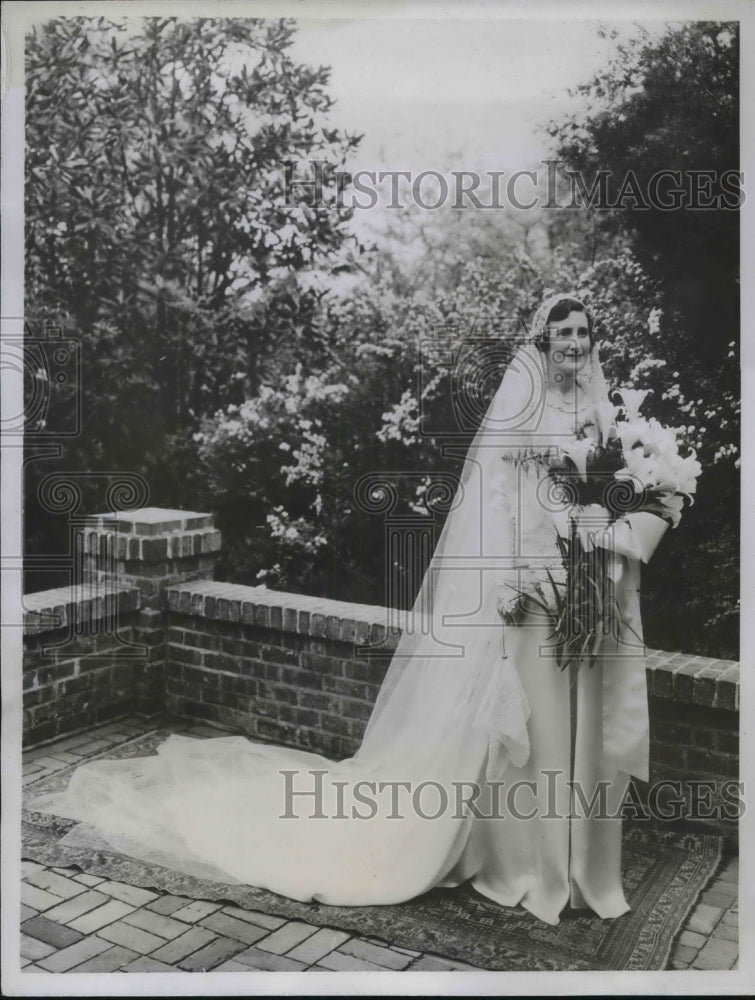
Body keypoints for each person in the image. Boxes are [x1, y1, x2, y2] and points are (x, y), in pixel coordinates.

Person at [28, 294, 651, 926]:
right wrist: (526, 570)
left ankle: (569, 859)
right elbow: (500, 496)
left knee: (565, 727)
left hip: (582, 579)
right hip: (530, 582)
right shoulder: (524, 404)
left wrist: (600, 532)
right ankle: (518, 859)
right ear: (543, 342)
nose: (574, 341)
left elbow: (610, 488)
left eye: (583, 331)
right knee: (527, 727)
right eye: (563, 332)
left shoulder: (601, 409)